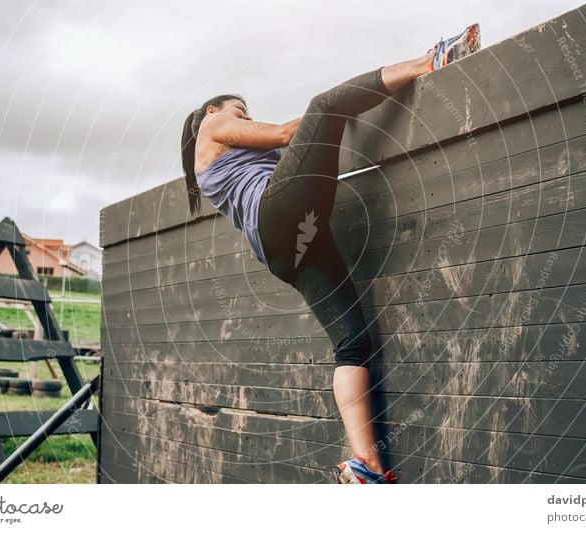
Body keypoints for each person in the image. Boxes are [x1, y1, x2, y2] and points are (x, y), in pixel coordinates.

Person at [180, 23, 480, 484]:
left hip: (287, 248)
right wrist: (341, 108)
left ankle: (366, 465)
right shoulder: (214, 125)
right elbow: (287, 132)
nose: (243, 118)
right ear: (212, 112)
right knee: (325, 104)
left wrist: (334, 121)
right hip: (278, 217)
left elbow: (301, 152)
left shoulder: (226, 166)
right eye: (240, 110)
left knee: (352, 346)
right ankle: (433, 58)